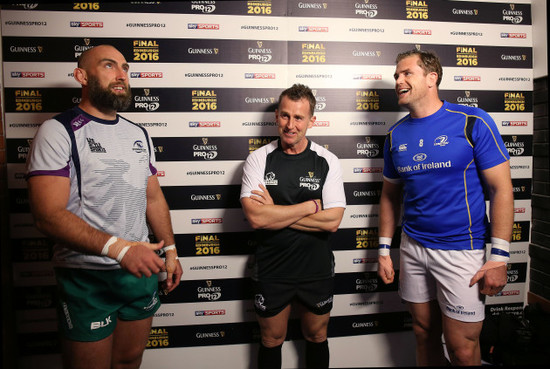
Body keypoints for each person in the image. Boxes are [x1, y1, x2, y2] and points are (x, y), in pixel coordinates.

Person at [25, 44, 183, 369]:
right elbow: (47, 215)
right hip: (87, 277)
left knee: (128, 361)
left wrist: (170, 251)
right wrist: (121, 250)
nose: (121, 75)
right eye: (109, 66)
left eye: (125, 68)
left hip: (140, 273)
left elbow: (152, 198)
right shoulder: (58, 131)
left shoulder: (138, 132)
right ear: (81, 76)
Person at [377, 49, 514, 366]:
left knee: (463, 348)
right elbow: (389, 196)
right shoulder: (395, 135)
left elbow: (502, 188)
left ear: (431, 77)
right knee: (423, 334)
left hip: (460, 250)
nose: (398, 80)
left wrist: (499, 257)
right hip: (413, 247)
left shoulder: (472, 122)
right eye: (396, 75)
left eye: (406, 73)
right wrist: (385, 250)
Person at [240, 84, 346, 369]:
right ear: (276, 116)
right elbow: (257, 218)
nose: (290, 125)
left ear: (312, 120)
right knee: (272, 340)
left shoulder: (327, 161)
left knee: (317, 335)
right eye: (285, 116)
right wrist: (310, 206)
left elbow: (333, 221)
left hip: (316, 269)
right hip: (272, 269)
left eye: (299, 118)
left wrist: (275, 210)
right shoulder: (258, 160)